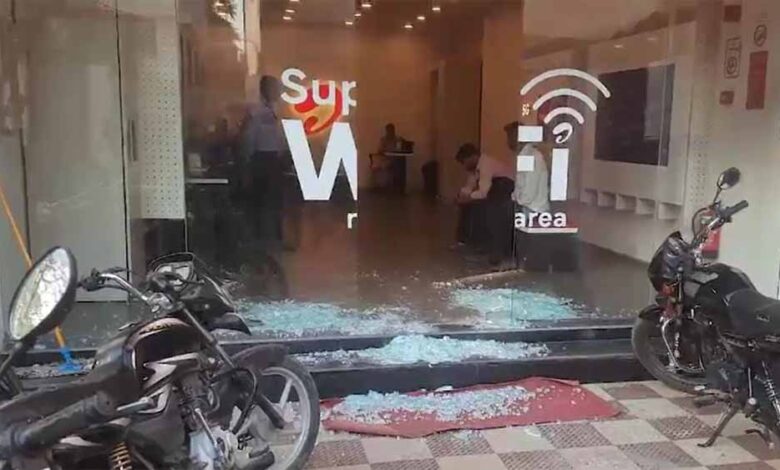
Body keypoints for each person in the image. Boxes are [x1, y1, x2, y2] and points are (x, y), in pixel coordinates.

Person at [240, 75, 287, 247]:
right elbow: (250, 138)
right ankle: (259, 240)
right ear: (266, 90)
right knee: (261, 201)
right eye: (275, 88)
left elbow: (278, 137)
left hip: (274, 159)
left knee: (276, 201)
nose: (278, 92)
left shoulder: (276, 111)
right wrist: (248, 160)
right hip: (261, 159)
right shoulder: (257, 113)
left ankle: (276, 238)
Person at [454, 143, 516, 268]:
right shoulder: (475, 168)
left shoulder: (486, 165)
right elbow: (470, 185)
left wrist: (468, 198)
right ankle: (465, 241)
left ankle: (482, 245)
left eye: (465, 162)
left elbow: (483, 192)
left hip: (503, 192)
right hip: (493, 193)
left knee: (479, 209)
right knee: (466, 207)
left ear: (473, 157)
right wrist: (462, 196)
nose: (464, 166)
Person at [506, 119, 550, 264]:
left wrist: (517, 201)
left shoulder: (532, 156)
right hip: (525, 206)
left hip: (533, 209)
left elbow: (529, 190)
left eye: (511, 136)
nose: (508, 141)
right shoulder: (524, 155)